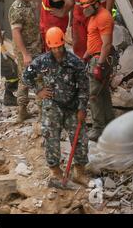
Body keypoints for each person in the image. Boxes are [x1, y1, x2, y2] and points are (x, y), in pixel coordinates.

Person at [23, 27, 89, 185]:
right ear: (49, 47)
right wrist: (39, 90)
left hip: (73, 106)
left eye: (60, 47)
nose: (58, 50)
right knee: (51, 138)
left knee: (80, 139)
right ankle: (56, 171)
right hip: (52, 106)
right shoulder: (41, 61)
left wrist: (82, 108)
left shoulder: (75, 62)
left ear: (63, 44)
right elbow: (26, 76)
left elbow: (84, 87)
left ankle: (79, 172)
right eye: (54, 48)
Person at [81, 0, 115, 141]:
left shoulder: (103, 17)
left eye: (86, 7)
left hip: (101, 59)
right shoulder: (95, 17)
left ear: (95, 4)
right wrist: (85, 57)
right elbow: (94, 41)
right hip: (94, 57)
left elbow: (106, 45)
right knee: (103, 93)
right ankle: (109, 123)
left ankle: (98, 128)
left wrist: (100, 65)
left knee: (93, 94)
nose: (84, 10)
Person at [8, 0, 42, 122]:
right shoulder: (16, 9)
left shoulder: (29, 4)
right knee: (38, 79)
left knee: (25, 79)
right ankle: (41, 113)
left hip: (35, 48)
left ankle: (23, 112)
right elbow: (16, 33)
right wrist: (25, 54)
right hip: (27, 51)